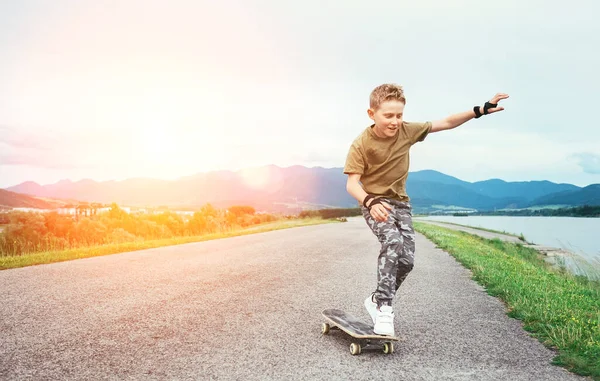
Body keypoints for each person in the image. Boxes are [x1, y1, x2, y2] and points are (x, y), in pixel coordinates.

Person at [343, 83, 509, 336]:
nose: (395, 121)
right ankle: (385, 310)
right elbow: (352, 184)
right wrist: (370, 202)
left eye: (399, 115)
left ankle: (377, 299)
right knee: (392, 242)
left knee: (407, 262)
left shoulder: (408, 131)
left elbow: (447, 122)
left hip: (401, 203)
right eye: (388, 115)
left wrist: (480, 110)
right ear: (371, 114)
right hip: (376, 203)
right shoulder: (361, 144)